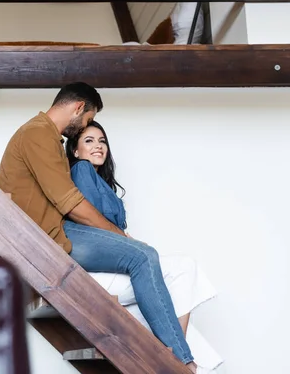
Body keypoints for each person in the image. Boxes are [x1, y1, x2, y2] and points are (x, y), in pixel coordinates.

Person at [0, 82, 199, 372]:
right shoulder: (37, 133)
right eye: (89, 121)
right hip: (45, 240)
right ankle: (181, 363)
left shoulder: (45, 135)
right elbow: (70, 203)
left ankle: (174, 355)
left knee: (152, 263)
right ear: (79, 108)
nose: (86, 128)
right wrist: (119, 236)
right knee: (143, 256)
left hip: (52, 232)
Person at [66, 120, 222, 373]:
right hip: (94, 269)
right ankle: (180, 360)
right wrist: (129, 242)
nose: (98, 146)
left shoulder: (102, 183)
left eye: (102, 141)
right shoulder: (82, 169)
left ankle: (180, 359)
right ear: (75, 150)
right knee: (180, 270)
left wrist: (126, 241)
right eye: (89, 140)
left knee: (176, 281)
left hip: (109, 265)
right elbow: (90, 219)